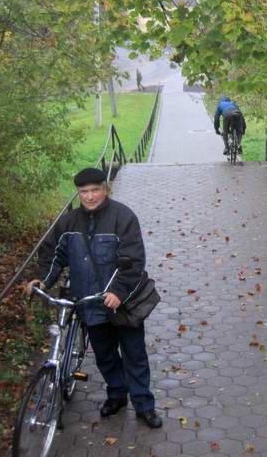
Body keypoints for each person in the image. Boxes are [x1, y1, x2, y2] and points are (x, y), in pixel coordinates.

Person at [25, 167, 162, 429]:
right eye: (83, 192)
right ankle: (117, 395)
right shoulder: (68, 223)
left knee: (134, 355)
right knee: (105, 355)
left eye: (94, 190)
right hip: (88, 303)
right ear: (78, 193)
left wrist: (119, 292)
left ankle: (144, 405)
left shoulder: (123, 217)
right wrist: (44, 280)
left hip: (123, 304)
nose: (89, 197)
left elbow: (133, 261)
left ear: (105, 189)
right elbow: (53, 254)